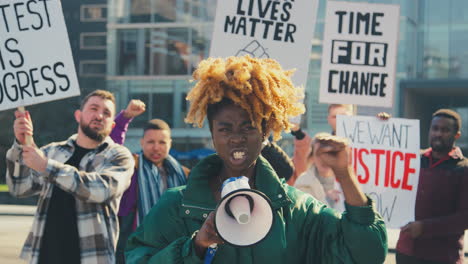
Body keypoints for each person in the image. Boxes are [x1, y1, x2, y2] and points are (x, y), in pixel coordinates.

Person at [124, 56, 387, 263]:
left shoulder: (296, 209)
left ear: (265, 133)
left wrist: (345, 174)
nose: (236, 138)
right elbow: (138, 258)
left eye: (248, 127)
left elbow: (367, 254)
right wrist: (194, 247)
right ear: (212, 135)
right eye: (225, 129)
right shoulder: (176, 205)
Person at [5, 90, 135, 264]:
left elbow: (101, 190)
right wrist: (20, 145)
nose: (99, 116)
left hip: (92, 258)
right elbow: (19, 188)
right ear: (78, 115)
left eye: (106, 113)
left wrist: (46, 166)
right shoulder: (52, 151)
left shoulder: (119, 156)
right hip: (45, 256)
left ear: (112, 125)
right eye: (93, 108)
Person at [110, 99, 190, 264]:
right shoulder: (132, 165)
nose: (156, 147)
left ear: (170, 144)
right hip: (137, 247)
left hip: (174, 247)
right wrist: (125, 117)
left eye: (162, 142)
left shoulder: (183, 173)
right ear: (142, 143)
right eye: (150, 142)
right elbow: (111, 148)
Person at [396, 109, 468, 264]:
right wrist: (383, 125)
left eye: (445, 130)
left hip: (442, 257)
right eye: (435, 129)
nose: (438, 134)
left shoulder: (464, 168)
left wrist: (424, 228)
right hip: (406, 253)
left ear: (457, 135)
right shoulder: (413, 160)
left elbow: (464, 218)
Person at [293, 133, 339, 206]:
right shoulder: (303, 183)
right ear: (312, 158)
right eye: (319, 154)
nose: (324, 159)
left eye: (329, 154)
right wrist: (327, 199)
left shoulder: (346, 181)